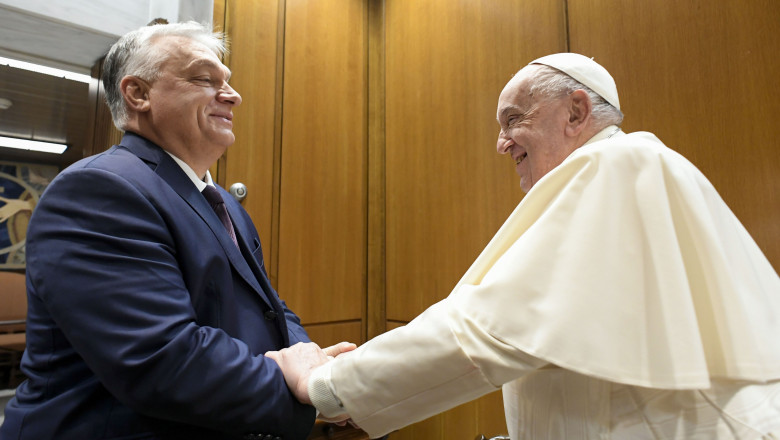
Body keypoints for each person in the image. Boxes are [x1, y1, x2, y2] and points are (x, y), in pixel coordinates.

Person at [267, 53, 780, 439]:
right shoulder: (636, 167)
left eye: (514, 119)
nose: (501, 143)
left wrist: (325, 386)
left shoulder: (615, 167)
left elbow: (487, 329)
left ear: (576, 112)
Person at [0, 21, 352, 440]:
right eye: (205, 79)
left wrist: (310, 364)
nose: (233, 95)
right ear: (139, 94)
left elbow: (270, 307)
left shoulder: (223, 202)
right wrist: (314, 394)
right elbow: (159, 358)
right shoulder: (98, 189)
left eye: (229, 82)